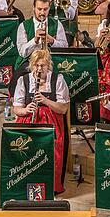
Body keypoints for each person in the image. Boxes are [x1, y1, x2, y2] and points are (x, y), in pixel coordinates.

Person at [12, 50, 70, 193]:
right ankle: (26, 184)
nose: (39, 69)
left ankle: (51, 187)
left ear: (48, 65)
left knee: (53, 152)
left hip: (52, 123)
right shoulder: (24, 80)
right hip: (29, 121)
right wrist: (26, 110)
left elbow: (63, 109)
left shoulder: (58, 79)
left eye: (42, 66)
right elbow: (16, 109)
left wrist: (45, 101)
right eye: (36, 65)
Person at [15, 0, 68, 71]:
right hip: (30, 61)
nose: (42, 13)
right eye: (39, 9)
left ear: (49, 8)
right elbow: (22, 53)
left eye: (45, 9)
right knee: (17, 77)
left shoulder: (57, 24)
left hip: (51, 61)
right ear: (33, 8)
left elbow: (65, 47)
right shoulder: (23, 26)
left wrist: (52, 41)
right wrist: (35, 40)